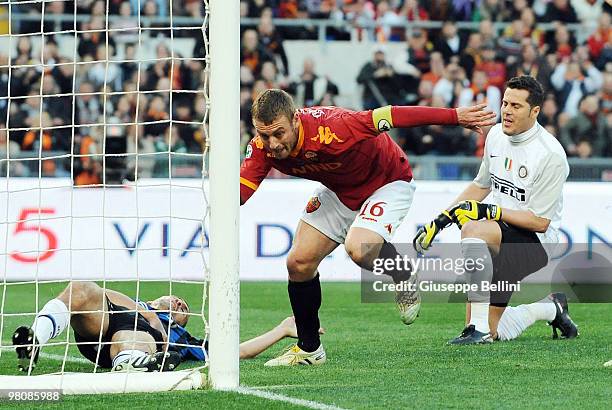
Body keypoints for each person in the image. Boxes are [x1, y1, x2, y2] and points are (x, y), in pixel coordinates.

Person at [240, 89, 496, 365]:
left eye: (279, 133)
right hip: (340, 192)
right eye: (264, 135)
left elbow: (393, 114)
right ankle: (310, 350)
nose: (273, 143)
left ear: (295, 121)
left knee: (359, 249)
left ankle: (403, 272)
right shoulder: (262, 149)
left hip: (388, 181)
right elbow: (239, 194)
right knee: (298, 263)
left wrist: (455, 116)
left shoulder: (334, 126)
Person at [413, 76, 578, 344]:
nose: (507, 111)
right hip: (497, 232)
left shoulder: (551, 155)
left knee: (473, 227)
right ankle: (551, 308)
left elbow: (540, 222)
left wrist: (490, 212)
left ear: (535, 111)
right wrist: (440, 220)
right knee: (496, 331)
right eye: (504, 103)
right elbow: (480, 185)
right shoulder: (497, 135)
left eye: (516, 106)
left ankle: (476, 328)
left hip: (534, 242)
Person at [13, 281, 314, 372]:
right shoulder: (136, 301)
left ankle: (134, 363)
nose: (180, 306)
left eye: (183, 311)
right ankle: (35, 340)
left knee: (140, 332)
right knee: (80, 289)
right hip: (102, 320)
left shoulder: (179, 335)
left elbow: (236, 352)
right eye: (178, 300)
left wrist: (283, 328)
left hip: (135, 337)